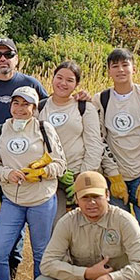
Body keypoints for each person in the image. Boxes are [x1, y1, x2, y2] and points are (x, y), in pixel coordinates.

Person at [93, 48, 140, 280]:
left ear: (134, 67)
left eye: (125, 65)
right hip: (115, 180)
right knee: (117, 230)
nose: (121, 70)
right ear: (109, 71)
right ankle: (123, 276)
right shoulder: (101, 100)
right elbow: (100, 140)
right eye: (115, 66)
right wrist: (113, 176)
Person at [0, 86, 66, 280]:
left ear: (34, 108)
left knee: (41, 252)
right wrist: (7, 173)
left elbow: (60, 164)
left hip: (42, 199)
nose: (20, 109)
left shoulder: (44, 128)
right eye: (16, 103)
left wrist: (41, 173)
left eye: (26, 105)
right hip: (12, 200)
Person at [40, 61, 103, 221]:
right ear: (52, 79)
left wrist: (81, 179)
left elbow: (94, 145)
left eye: (69, 80)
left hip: (76, 176)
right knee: (56, 228)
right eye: (59, 78)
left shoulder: (85, 108)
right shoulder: (39, 108)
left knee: (83, 228)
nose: (63, 83)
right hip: (49, 177)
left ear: (77, 84)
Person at [0, 38, 49, 127]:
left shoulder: (31, 84)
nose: (2, 59)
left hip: (24, 139)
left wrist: (70, 100)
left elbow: (51, 107)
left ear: (16, 59)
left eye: (8, 55)